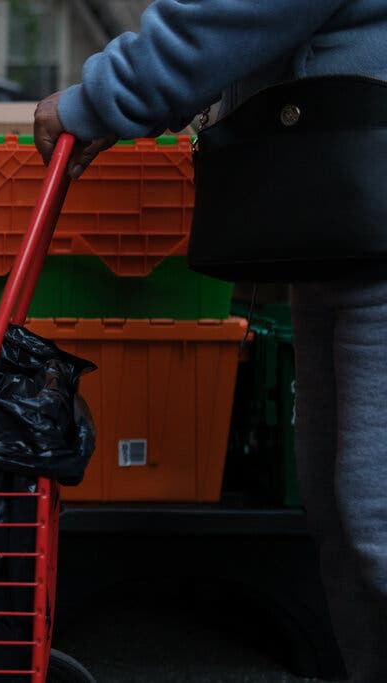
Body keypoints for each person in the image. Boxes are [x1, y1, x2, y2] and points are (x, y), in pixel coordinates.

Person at [33, 2, 387, 681]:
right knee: (343, 518)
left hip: (361, 194)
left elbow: (240, 12)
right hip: (340, 210)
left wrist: (100, 99)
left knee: (373, 516)